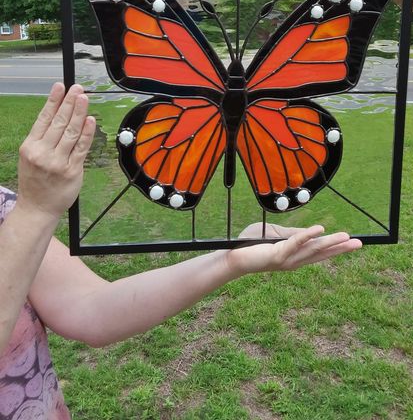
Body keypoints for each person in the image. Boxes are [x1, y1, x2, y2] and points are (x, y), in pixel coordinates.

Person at [0, 83, 362, 419]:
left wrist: (230, 258)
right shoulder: (24, 214)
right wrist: (35, 212)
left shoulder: (4, 209)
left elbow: (87, 307)